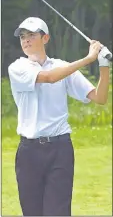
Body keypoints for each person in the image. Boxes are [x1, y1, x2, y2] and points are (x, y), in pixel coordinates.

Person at [8, 17, 110, 216]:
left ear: (45, 38)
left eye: (31, 35)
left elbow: (100, 98)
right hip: (29, 152)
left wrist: (103, 64)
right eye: (22, 36)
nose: (26, 40)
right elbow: (49, 78)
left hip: (60, 150)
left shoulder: (63, 67)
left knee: (59, 212)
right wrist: (88, 58)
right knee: (32, 212)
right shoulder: (18, 68)